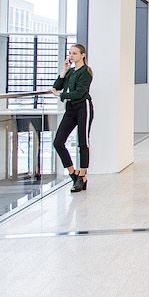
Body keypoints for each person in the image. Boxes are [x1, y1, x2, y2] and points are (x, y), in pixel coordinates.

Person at [52, 43, 94, 192]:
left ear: (82, 55)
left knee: (83, 142)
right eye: (70, 53)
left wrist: (62, 95)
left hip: (83, 107)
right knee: (58, 142)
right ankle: (73, 173)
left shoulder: (86, 72)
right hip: (70, 109)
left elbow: (79, 93)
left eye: (74, 53)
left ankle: (82, 175)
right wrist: (64, 70)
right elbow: (56, 87)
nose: (71, 56)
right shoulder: (70, 71)